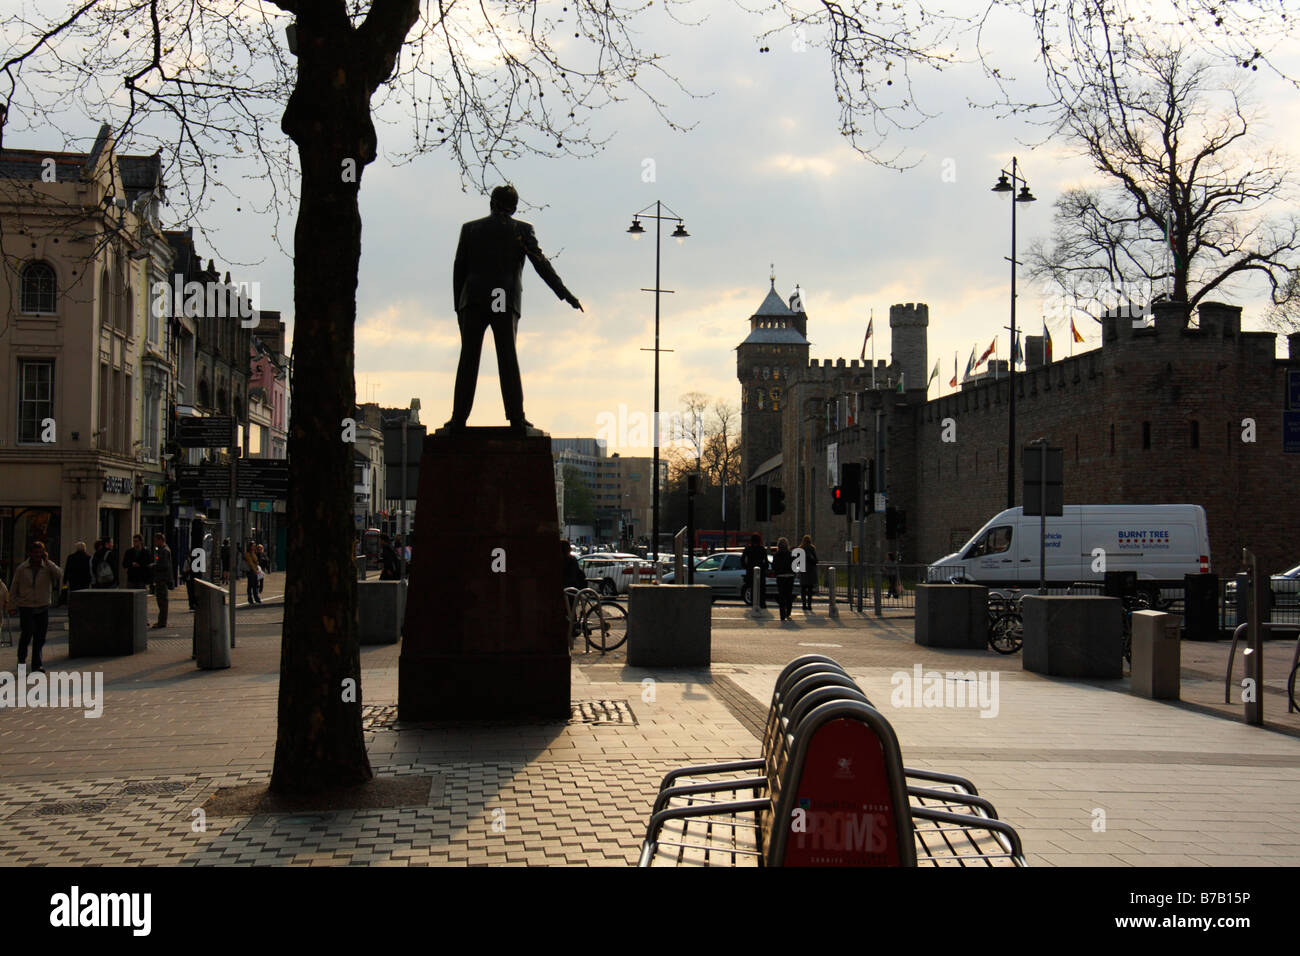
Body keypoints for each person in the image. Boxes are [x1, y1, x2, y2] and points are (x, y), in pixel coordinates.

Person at [445, 184, 583, 432]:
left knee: (468, 360)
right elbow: (542, 265)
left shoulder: (470, 229)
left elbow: (459, 270)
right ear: (515, 207)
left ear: (491, 203)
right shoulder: (521, 230)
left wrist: (459, 306)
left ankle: (458, 419)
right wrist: (565, 294)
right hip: (502, 298)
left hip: (473, 300)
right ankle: (516, 417)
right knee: (507, 358)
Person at [10, 540, 61, 673]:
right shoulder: (22, 568)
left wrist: (48, 561)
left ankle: (36, 665)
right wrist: (12, 604)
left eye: (40, 553)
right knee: (26, 635)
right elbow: (14, 586)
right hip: (26, 606)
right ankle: (21, 663)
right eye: (35, 552)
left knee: (40, 638)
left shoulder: (47, 567)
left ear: (43, 553)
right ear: (30, 553)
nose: (37, 555)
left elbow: (59, 574)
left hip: (42, 605)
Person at [148, 532, 174, 629]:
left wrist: (154, 566)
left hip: (162, 579)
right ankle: (161, 621)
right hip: (160, 578)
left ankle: (162, 622)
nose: (154, 543)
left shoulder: (164, 551)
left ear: (160, 540)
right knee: (161, 601)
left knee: (162, 601)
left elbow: (165, 565)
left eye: (156, 540)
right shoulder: (161, 550)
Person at [741, 533, 768, 609]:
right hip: (760, 571)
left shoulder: (748, 549)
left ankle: (753, 603)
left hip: (750, 571)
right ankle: (762, 603)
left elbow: (742, 560)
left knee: (752, 588)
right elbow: (765, 561)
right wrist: (764, 567)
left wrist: (746, 567)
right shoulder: (762, 549)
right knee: (761, 588)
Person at [773, 537, 796, 620]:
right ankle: (788, 613)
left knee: (781, 596)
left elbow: (774, 566)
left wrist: (777, 572)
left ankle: (782, 614)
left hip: (780, 576)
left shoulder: (776, 555)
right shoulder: (790, 554)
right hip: (789, 576)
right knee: (789, 596)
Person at [798, 534, 819, 612]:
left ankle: (804, 605)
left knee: (803, 589)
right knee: (810, 590)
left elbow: (798, 561)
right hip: (811, 571)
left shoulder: (800, 549)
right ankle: (809, 605)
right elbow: (816, 560)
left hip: (803, 570)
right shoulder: (812, 548)